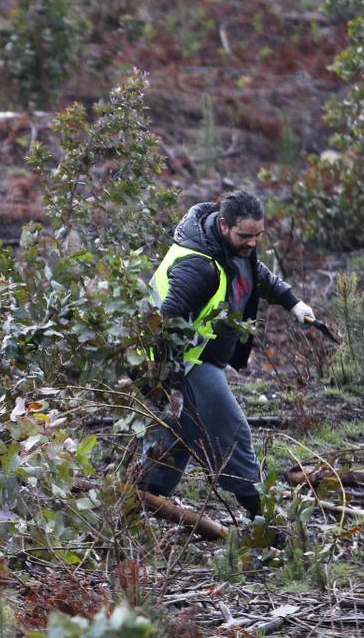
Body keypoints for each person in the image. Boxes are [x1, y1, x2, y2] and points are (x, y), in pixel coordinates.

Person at [140, 189, 315, 520]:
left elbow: (257, 274)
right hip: (184, 363)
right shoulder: (199, 266)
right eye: (245, 235)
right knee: (232, 433)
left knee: (178, 434)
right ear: (223, 225)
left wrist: (294, 304)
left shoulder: (231, 249)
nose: (252, 243)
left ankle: (143, 499)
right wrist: (172, 383)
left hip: (196, 359)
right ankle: (263, 516)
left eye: (258, 235)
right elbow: (167, 323)